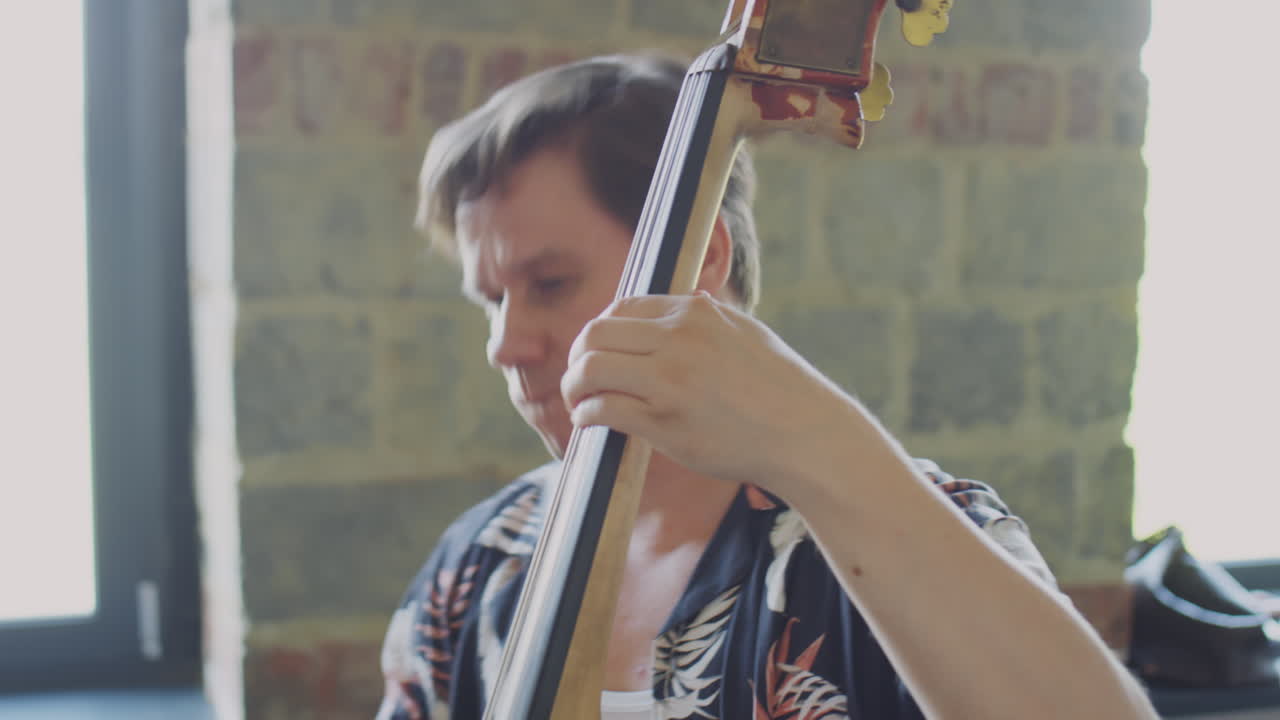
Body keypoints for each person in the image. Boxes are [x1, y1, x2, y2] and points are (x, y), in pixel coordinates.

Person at [376, 54, 1158, 720]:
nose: (506, 344)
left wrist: (813, 433)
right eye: (490, 298)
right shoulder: (482, 560)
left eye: (549, 282)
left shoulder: (910, 533)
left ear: (699, 261)